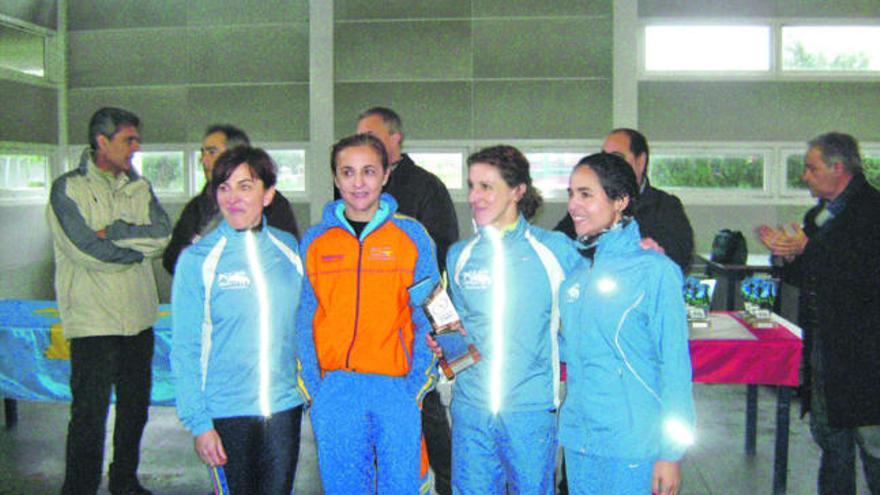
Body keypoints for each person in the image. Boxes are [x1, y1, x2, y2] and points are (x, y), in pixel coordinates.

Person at [297, 133, 440, 494]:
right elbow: (304, 318)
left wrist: (416, 386)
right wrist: (316, 388)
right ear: (334, 178)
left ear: (385, 175)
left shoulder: (411, 236)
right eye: (347, 172)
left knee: (403, 486)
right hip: (336, 390)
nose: (358, 183)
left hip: (396, 387)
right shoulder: (315, 242)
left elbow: (432, 313)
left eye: (368, 171)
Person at [443, 145, 582, 494]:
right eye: (471, 185)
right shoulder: (460, 256)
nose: (473, 197)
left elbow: (585, 321)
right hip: (471, 412)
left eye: (486, 186)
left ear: (518, 191)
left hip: (530, 412)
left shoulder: (555, 251)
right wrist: (444, 346)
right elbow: (453, 331)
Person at [47, 107, 172, 495]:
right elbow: (83, 248)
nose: (136, 147)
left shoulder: (140, 187)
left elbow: (162, 236)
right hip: (93, 322)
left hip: (138, 318)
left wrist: (115, 232)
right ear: (102, 142)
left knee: (134, 409)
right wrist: (133, 254)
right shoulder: (68, 189)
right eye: (128, 140)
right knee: (88, 413)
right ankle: (79, 487)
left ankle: (124, 480)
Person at [558, 152, 695, 495]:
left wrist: (671, 453)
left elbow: (675, 366)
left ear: (620, 201)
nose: (573, 205)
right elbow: (570, 349)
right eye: (571, 194)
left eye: (586, 194)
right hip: (580, 442)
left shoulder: (655, 271)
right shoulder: (576, 277)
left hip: (634, 444)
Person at [171, 146, 306, 494]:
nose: (232, 198)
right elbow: (184, 349)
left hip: (283, 410)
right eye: (224, 187)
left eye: (245, 186)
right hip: (226, 414)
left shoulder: (289, 249)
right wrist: (200, 424)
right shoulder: (197, 261)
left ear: (268, 194)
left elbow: (303, 327)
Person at [757, 132, 880, 495]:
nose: (805, 177)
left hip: (866, 356)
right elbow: (805, 272)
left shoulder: (872, 212)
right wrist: (787, 255)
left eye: (812, 169)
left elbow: (864, 274)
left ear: (838, 168)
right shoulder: (820, 214)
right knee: (831, 442)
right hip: (825, 349)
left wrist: (810, 249)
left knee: (873, 446)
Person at [356, 106, 458, 494]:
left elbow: (440, 257)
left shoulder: (426, 187)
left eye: (371, 135)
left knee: (426, 406)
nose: (363, 145)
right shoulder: (358, 189)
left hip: (417, 321)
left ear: (396, 138)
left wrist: (438, 327)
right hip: (371, 329)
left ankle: (445, 485)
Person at [162, 124, 299, 273]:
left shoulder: (271, 202)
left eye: (212, 152)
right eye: (202, 153)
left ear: (235, 154)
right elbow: (172, 259)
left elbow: (285, 255)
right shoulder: (197, 207)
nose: (204, 160)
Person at [554, 128, 694, 273]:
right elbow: (558, 242)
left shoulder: (665, 206)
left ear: (640, 162)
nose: (608, 164)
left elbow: (679, 254)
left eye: (617, 157)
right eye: (604, 157)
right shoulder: (588, 206)